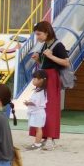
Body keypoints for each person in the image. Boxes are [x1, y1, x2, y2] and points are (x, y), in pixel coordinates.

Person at [30, 20, 69, 150]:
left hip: (52, 78)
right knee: (41, 107)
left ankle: (50, 138)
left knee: (50, 108)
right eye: (36, 34)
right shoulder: (45, 45)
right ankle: (43, 136)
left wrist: (51, 57)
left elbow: (66, 63)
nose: (38, 37)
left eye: (39, 34)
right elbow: (45, 63)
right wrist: (38, 59)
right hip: (44, 78)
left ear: (47, 32)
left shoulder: (58, 45)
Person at [24, 69, 48, 150]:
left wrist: (28, 103)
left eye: (34, 79)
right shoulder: (40, 90)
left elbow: (36, 103)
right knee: (38, 128)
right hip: (37, 112)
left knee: (38, 128)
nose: (33, 80)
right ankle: (37, 143)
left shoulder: (40, 91)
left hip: (38, 112)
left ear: (40, 80)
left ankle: (37, 144)